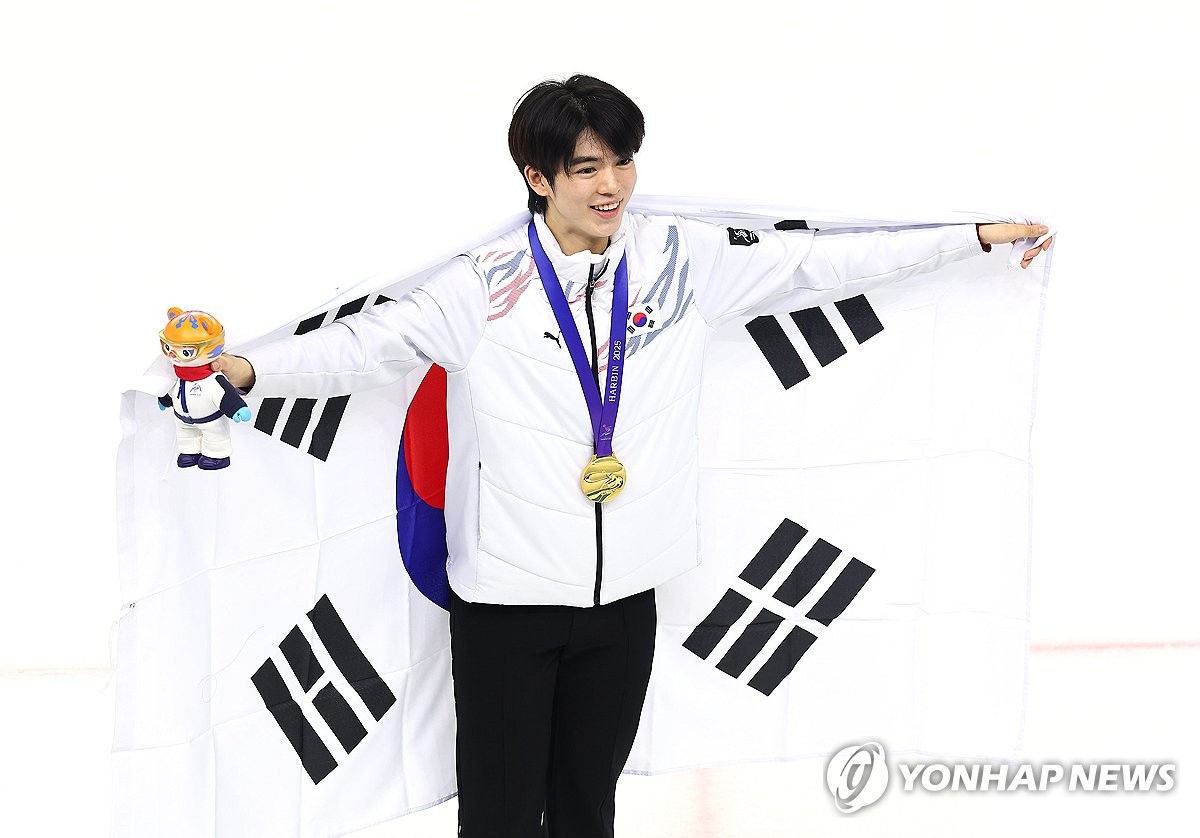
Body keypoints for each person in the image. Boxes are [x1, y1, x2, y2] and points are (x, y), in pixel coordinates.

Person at [211, 74, 1052, 838]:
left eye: (621, 161)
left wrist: (971, 239)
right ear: (538, 178)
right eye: (586, 168)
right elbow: (365, 346)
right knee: (501, 818)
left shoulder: (681, 259)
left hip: (624, 604)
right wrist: (246, 371)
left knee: (588, 810)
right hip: (507, 607)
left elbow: (821, 262)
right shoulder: (483, 285)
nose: (610, 185)